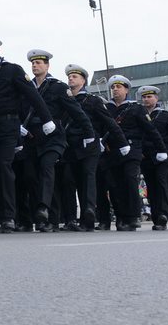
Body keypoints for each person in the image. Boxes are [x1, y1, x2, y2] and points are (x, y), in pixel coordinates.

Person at [19, 47, 78, 233]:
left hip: (53, 138)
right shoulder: (27, 87)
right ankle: (48, 219)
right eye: (33, 63)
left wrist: (90, 134)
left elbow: (76, 112)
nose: (35, 66)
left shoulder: (58, 87)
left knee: (46, 167)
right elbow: (20, 110)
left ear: (47, 66)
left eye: (38, 63)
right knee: (31, 176)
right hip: (32, 138)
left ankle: (43, 208)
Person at [63, 64, 127, 232]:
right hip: (71, 146)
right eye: (69, 77)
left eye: (74, 76)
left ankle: (89, 212)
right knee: (70, 180)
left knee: (88, 177)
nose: (70, 79)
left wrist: (122, 143)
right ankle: (71, 219)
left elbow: (109, 123)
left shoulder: (92, 100)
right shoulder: (65, 100)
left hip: (90, 145)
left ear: (83, 80)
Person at [101, 75, 165, 231]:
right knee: (115, 185)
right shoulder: (107, 108)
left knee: (130, 180)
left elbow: (150, 130)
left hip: (132, 149)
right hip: (112, 151)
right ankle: (121, 217)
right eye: (113, 87)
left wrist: (161, 149)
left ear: (126, 90)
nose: (115, 89)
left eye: (118, 87)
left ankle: (134, 216)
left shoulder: (136, 108)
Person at [138, 86, 168, 230]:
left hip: (163, 156)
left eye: (149, 97)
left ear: (156, 98)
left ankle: (164, 215)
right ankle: (156, 217)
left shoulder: (165, 116)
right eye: (144, 97)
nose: (146, 99)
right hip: (146, 157)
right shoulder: (139, 115)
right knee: (152, 188)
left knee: (162, 185)